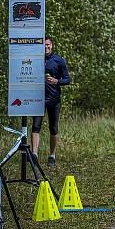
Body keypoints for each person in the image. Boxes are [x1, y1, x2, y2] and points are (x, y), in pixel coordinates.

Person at [32, 36, 70, 168]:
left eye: (48, 45)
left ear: (51, 45)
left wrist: (57, 81)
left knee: (53, 128)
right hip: (38, 98)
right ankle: (34, 155)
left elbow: (67, 80)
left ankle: (52, 156)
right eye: (43, 45)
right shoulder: (36, 59)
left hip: (54, 99)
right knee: (35, 126)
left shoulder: (59, 60)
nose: (46, 47)